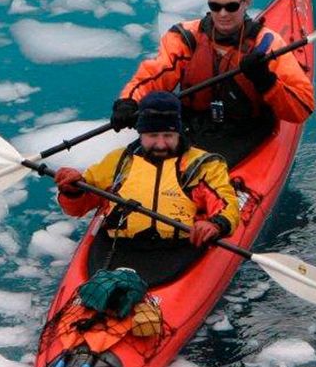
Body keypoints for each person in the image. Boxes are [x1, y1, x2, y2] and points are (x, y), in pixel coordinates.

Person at [110, 0, 315, 167]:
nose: (223, 14)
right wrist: (128, 101)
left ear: (247, 3)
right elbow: (154, 75)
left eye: (231, 6)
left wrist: (265, 79)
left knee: (201, 169)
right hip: (192, 121)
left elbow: (302, 109)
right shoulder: (187, 37)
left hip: (244, 128)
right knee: (138, 161)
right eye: (215, 6)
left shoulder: (268, 45)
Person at [55, 91, 240, 285]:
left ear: (179, 132)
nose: (160, 143)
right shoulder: (119, 161)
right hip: (119, 247)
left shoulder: (203, 165)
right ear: (141, 134)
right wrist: (73, 190)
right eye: (153, 136)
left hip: (180, 249)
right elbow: (76, 207)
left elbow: (228, 206)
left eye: (168, 135)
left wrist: (216, 224)